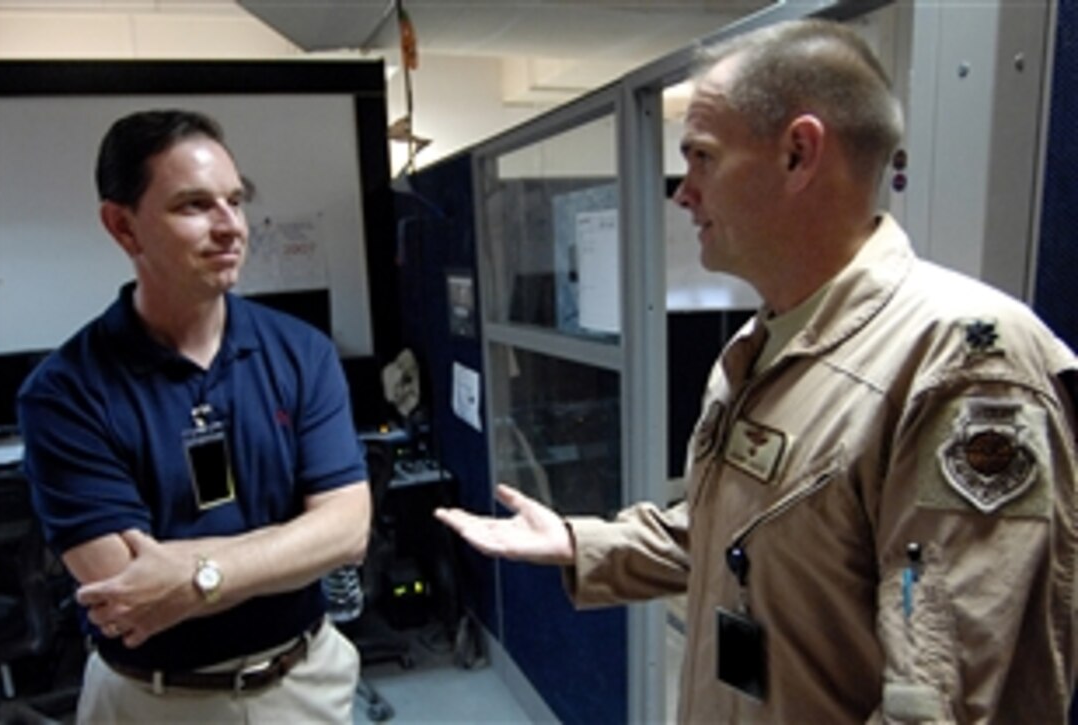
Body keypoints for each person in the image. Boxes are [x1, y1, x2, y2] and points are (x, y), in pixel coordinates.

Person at [435, 18, 1078, 723]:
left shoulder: (962, 364)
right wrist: (580, 541)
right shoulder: (761, 342)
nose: (683, 192)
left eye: (703, 156)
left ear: (799, 154)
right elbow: (726, 533)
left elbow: (943, 698)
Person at [18, 110, 371, 723]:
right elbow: (126, 590)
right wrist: (289, 547)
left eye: (235, 201)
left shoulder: (302, 352)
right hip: (151, 699)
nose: (230, 226)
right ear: (123, 228)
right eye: (194, 206)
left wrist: (198, 574)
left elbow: (345, 531)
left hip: (302, 682)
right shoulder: (64, 394)